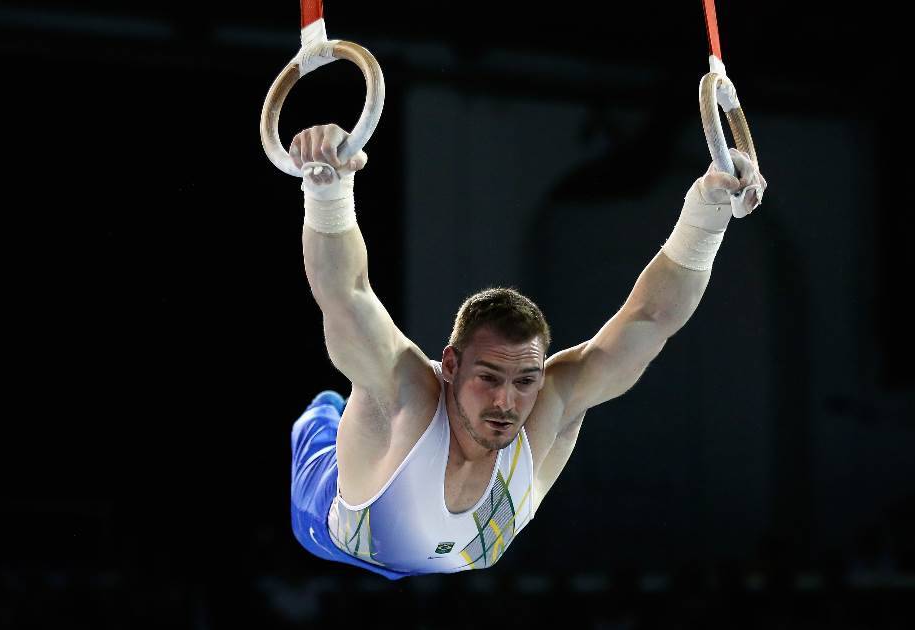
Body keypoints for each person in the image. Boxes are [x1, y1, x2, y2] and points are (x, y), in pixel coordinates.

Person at [288, 123, 767, 580]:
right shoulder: (408, 395)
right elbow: (345, 296)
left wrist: (707, 215)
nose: (506, 403)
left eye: (524, 381)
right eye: (489, 377)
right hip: (330, 522)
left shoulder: (549, 409)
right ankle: (324, 413)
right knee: (327, 414)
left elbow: (651, 319)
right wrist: (327, 187)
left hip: (412, 537)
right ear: (450, 365)